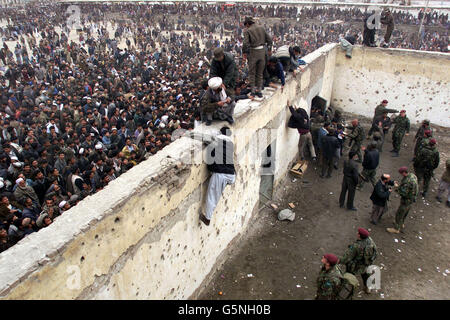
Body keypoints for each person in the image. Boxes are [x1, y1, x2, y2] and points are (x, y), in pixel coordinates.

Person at [200, 127, 236, 226]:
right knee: (216, 193)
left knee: (212, 196)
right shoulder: (230, 143)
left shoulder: (216, 139)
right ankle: (208, 215)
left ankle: (207, 218)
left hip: (221, 174)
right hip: (231, 175)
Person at [339, 228, 377, 294]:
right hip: (366, 264)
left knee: (349, 275)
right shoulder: (370, 241)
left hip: (356, 265)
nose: (357, 233)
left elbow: (347, 258)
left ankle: (343, 285)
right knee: (365, 274)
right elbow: (375, 252)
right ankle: (368, 288)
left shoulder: (356, 246)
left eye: (358, 233)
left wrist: (339, 261)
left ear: (359, 235)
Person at [242, 16, 272, 98]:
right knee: (260, 73)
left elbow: (245, 44)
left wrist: (244, 52)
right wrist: (269, 49)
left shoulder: (248, 31)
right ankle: (259, 91)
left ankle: (252, 91)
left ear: (248, 23)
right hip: (262, 52)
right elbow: (269, 40)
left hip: (253, 52)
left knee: (252, 73)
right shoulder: (261, 28)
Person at [387, 167, 418, 234]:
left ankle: (396, 228)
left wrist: (396, 187)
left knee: (400, 213)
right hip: (411, 199)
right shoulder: (413, 176)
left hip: (406, 200)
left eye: (401, 173)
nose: (401, 175)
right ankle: (401, 223)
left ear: (404, 172)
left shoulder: (408, 182)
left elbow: (403, 193)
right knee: (405, 212)